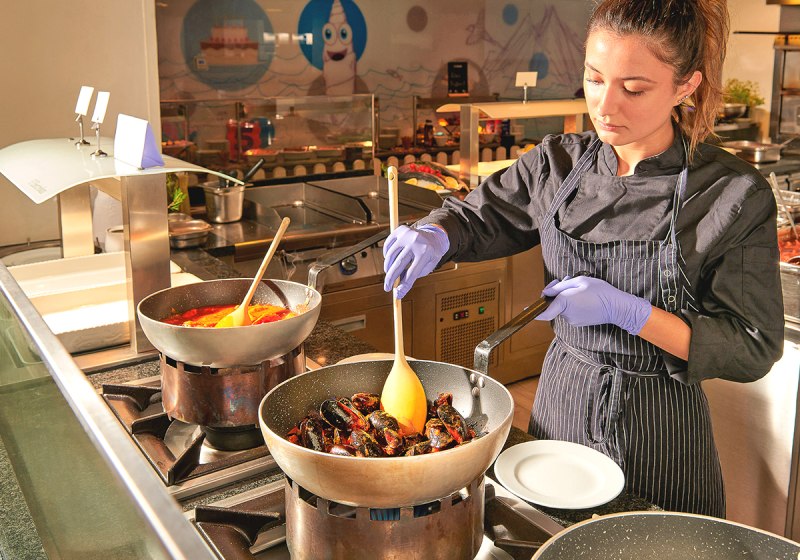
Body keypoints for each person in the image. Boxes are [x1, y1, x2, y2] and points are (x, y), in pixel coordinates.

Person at [382, 0, 784, 518]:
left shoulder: (730, 193)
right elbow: (479, 216)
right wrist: (435, 233)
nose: (606, 106)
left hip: (660, 428)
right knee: (552, 538)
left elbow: (752, 347)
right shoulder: (557, 163)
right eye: (594, 79)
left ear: (685, 86)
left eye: (633, 89)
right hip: (563, 402)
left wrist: (630, 313)